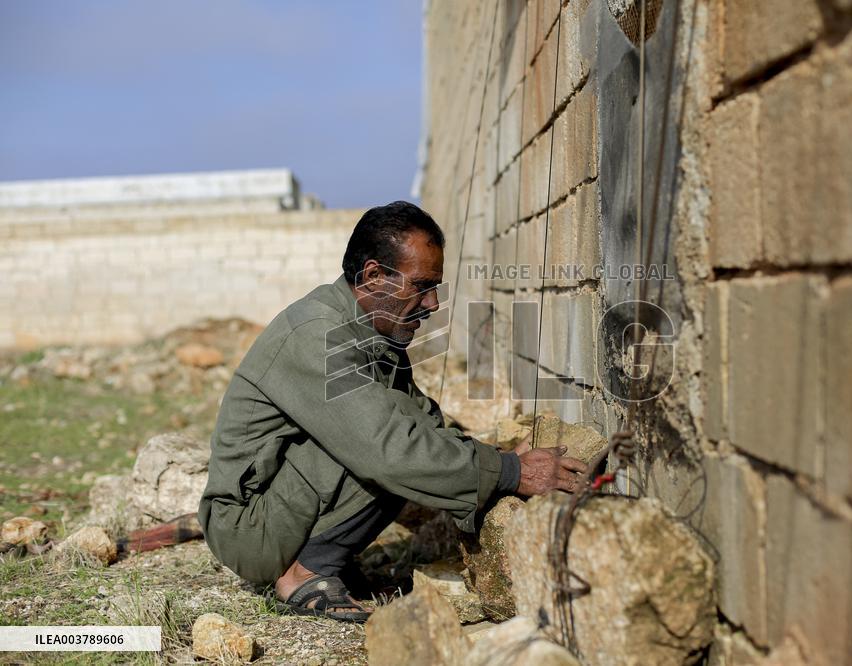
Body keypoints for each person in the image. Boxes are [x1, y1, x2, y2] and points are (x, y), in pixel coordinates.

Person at [198, 201, 587, 621]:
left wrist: (499, 457)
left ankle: (327, 559)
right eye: (421, 285)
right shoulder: (317, 335)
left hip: (278, 510)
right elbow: (388, 448)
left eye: (435, 286)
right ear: (373, 276)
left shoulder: (374, 335)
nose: (433, 303)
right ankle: (305, 572)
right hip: (247, 531)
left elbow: (429, 425)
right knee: (389, 448)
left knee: (408, 433)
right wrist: (513, 473)